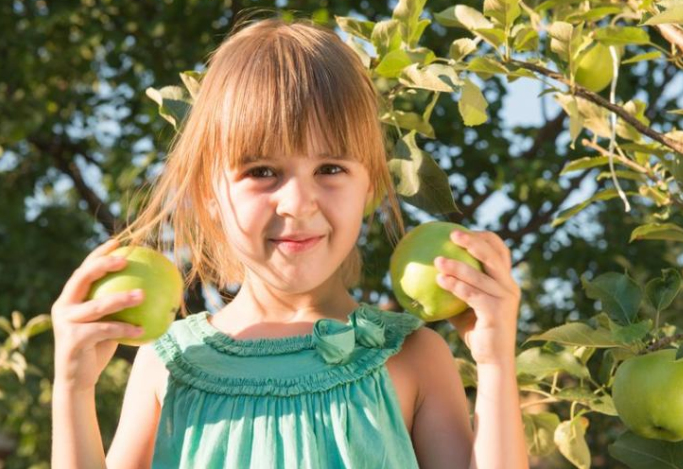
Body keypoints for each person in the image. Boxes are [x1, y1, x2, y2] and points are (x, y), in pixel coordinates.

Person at [51, 12, 529, 469]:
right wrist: (73, 388)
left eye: (331, 169)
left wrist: (495, 366)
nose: (298, 202)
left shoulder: (414, 359)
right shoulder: (170, 366)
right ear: (207, 194)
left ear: (372, 187)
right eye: (262, 171)